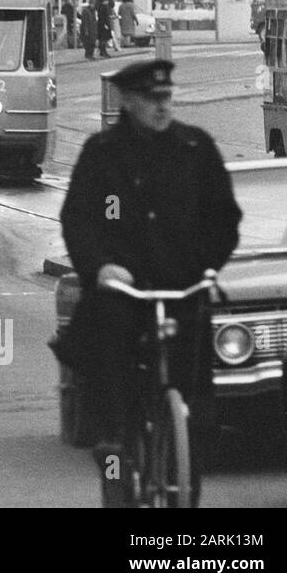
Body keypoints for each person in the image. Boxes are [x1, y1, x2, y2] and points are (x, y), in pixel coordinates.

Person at [59, 60, 241, 507]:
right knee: (113, 381)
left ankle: (185, 458)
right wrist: (100, 267)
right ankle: (116, 458)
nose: (162, 107)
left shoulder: (195, 149)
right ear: (128, 101)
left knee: (197, 391)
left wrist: (207, 267)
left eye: (167, 97)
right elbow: (80, 220)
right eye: (151, 99)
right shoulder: (102, 155)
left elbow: (224, 219)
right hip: (125, 293)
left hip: (182, 289)